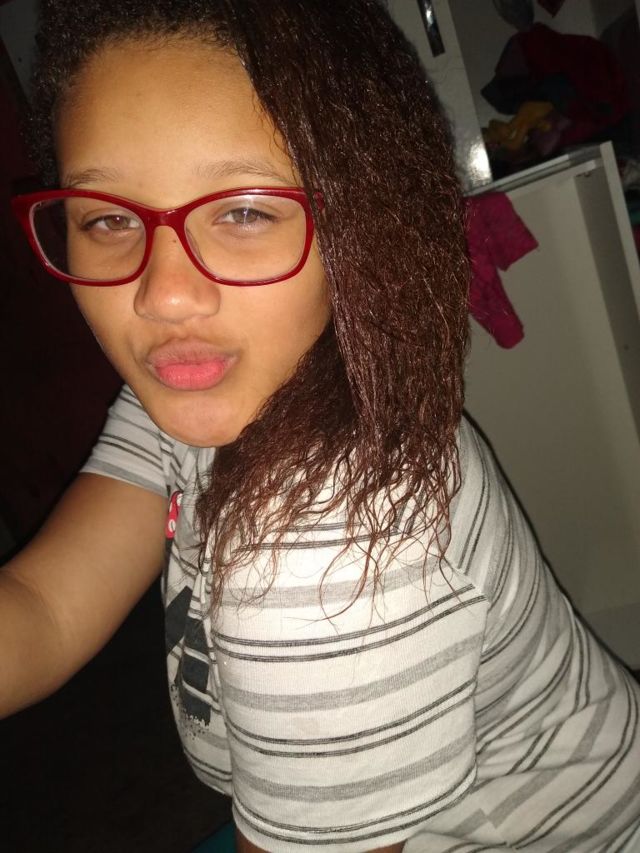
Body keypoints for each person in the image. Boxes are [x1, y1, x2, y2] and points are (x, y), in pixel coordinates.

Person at [2, 0, 639, 850]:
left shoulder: (333, 562)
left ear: (357, 221)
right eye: (109, 219)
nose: (165, 295)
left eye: (244, 211)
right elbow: (45, 606)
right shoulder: (204, 384)